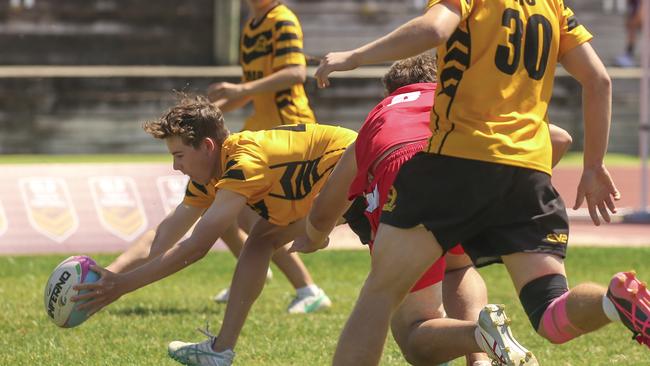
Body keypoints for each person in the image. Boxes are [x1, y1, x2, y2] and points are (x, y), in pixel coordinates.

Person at [312, 0, 649, 365]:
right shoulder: (553, 5)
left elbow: (434, 30)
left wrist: (356, 56)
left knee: (379, 295)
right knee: (551, 313)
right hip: (527, 172)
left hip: (456, 160)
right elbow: (598, 80)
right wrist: (593, 165)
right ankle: (610, 302)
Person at [293, 53, 574, 366]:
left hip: (408, 177)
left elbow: (323, 211)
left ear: (390, 93)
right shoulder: (461, 101)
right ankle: (479, 359)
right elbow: (559, 138)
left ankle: (480, 337)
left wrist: (312, 238)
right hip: (465, 169)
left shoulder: (380, 115)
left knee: (413, 331)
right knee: (457, 264)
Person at [72, 97, 358, 366]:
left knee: (263, 239)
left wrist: (123, 286)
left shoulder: (243, 163)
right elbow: (165, 235)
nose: (175, 166)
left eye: (179, 155)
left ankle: (222, 350)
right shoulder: (211, 172)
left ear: (207, 146)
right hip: (330, 179)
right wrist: (109, 275)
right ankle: (220, 351)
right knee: (260, 241)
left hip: (356, 167)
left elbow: (196, 248)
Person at [196, 0, 323, 306]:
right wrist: (201, 117)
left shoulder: (282, 20)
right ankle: (253, 272)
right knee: (219, 203)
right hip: (263, 131)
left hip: (289, 129)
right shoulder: (252, 26)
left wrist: (241, 91)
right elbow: (252, 90)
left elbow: (295, 72)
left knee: (254, 217)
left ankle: (307, 289)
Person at [615, 0, 644, 67]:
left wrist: (636, 18)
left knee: (633, 30)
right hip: (635, 10)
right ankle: (628, 55)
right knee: (632, 31)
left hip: (640, 11)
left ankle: (628, 55)